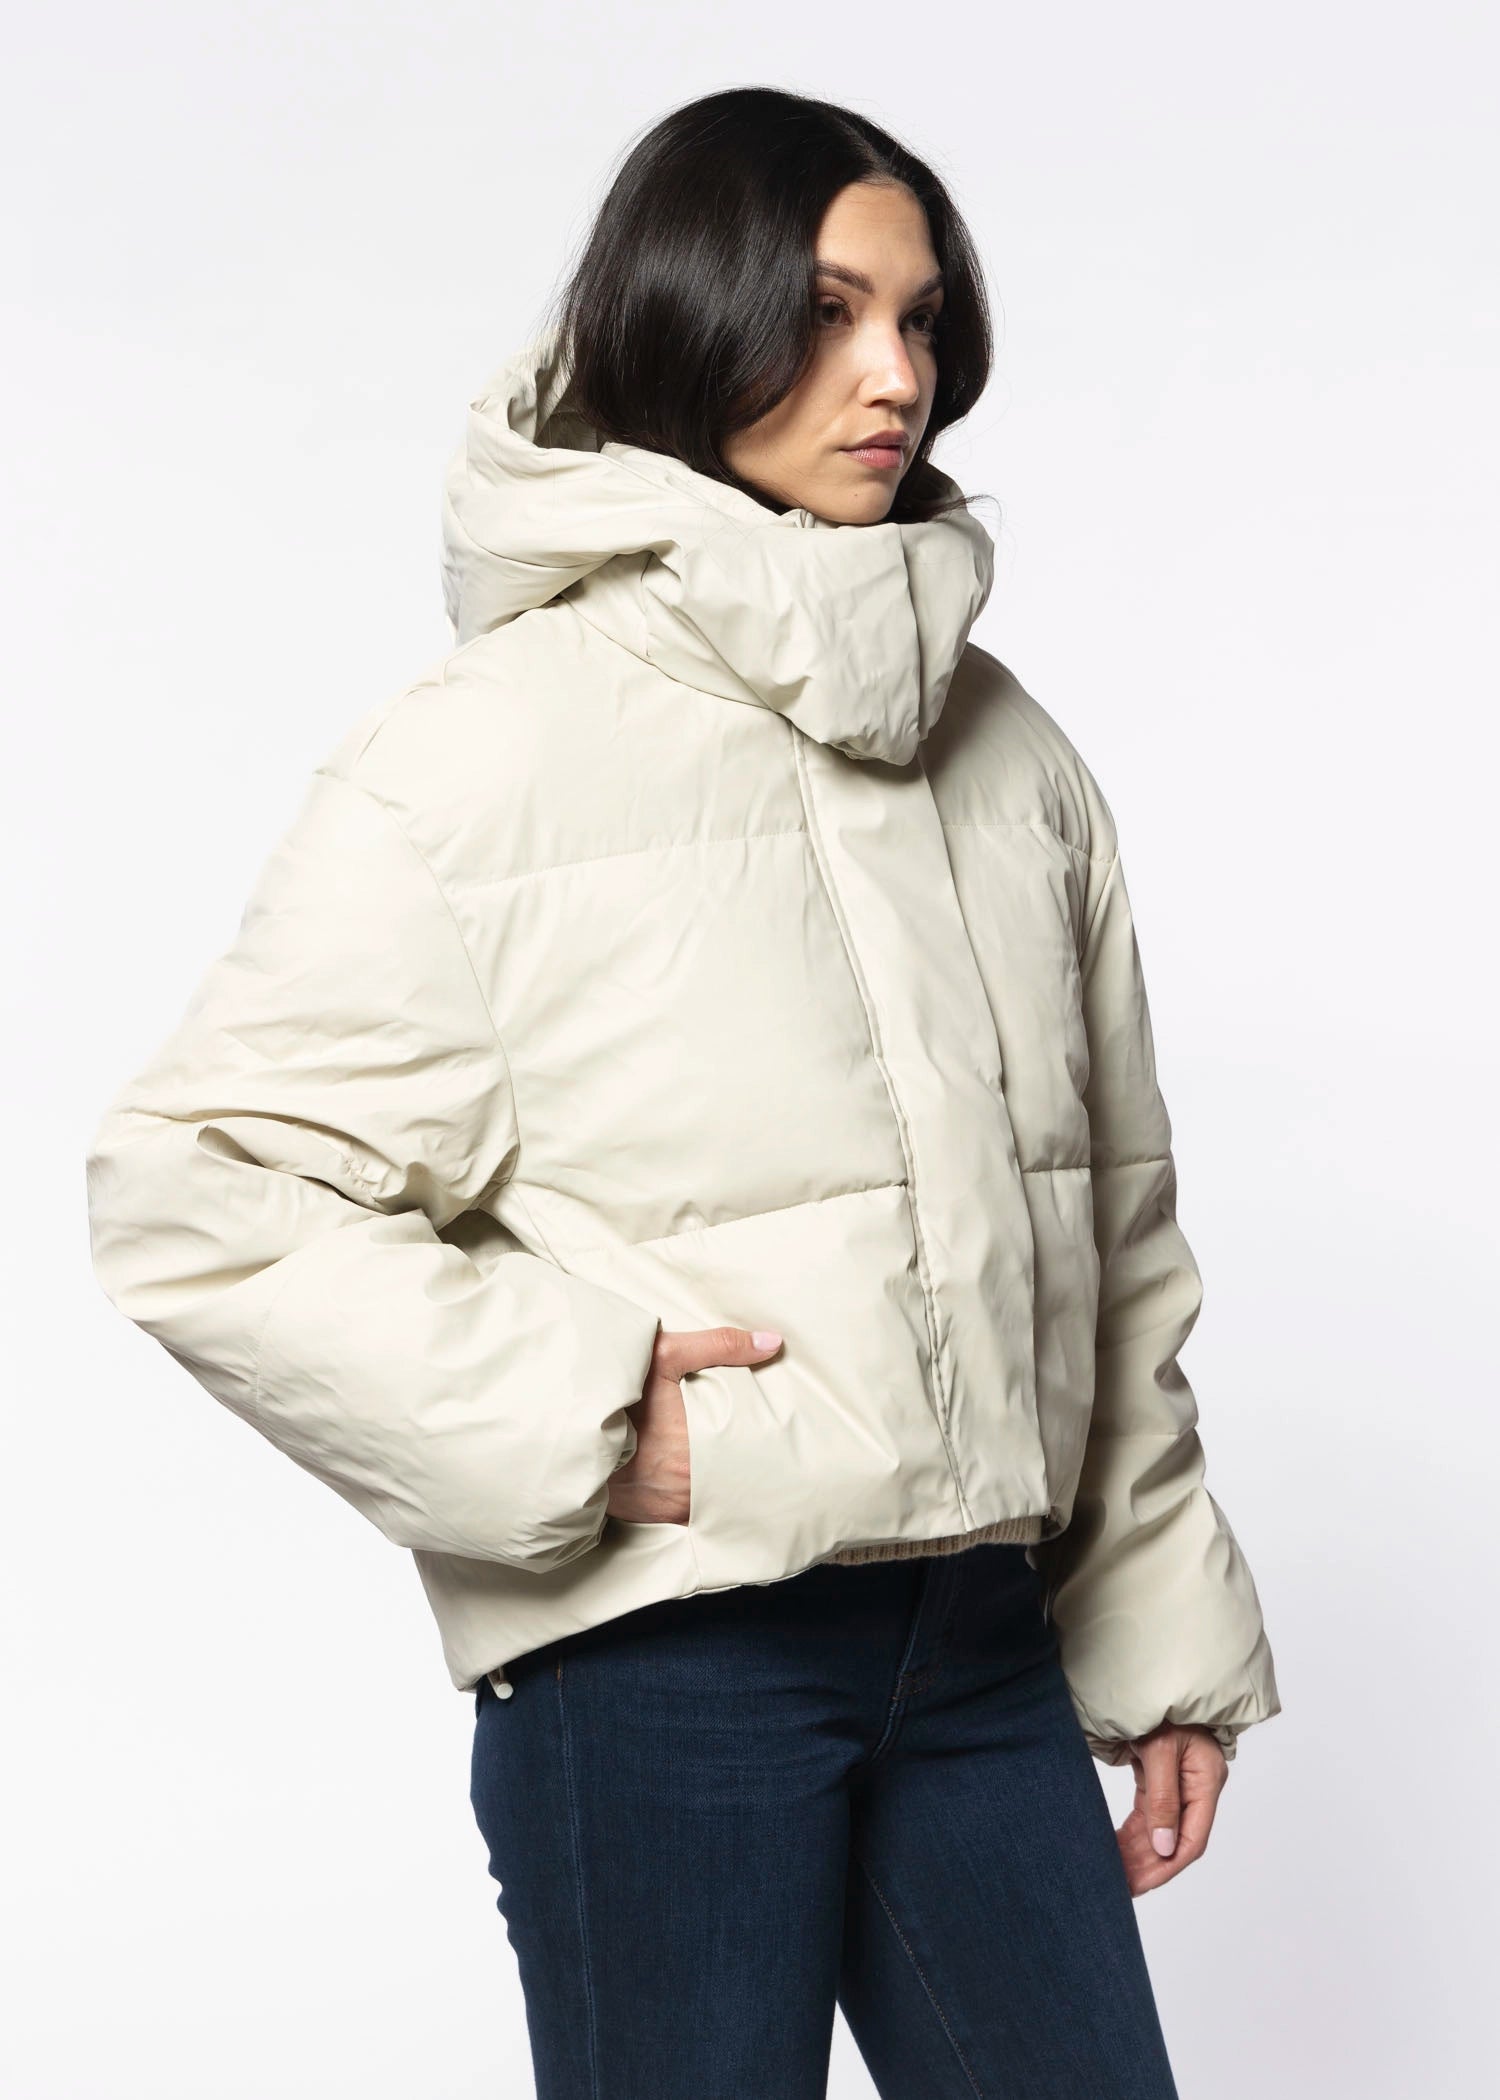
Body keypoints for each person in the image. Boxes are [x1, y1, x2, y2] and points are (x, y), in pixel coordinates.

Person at [85, 84, 1281, 2100]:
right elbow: (196, 1190)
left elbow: (1112, 1232)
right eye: (826, 311)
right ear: (689, 318)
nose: (892, 373)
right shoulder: (487, 754)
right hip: (666, 1671)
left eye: (918, 318)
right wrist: (579, 1414)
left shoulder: (1015, 760)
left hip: (982, 1648)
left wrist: (1159, 1627)